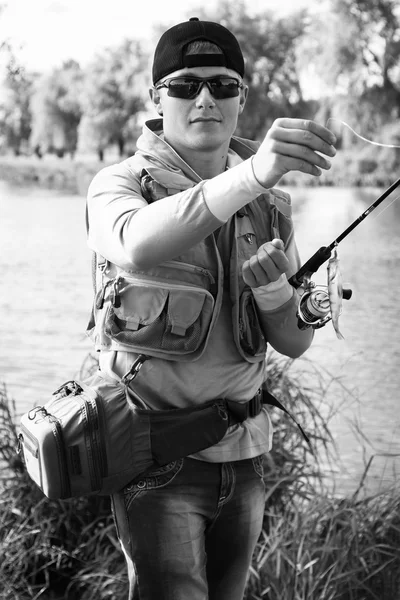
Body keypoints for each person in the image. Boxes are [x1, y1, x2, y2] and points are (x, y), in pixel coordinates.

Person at [86, 16, 336, 600]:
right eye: (185, 85)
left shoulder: (270, 205)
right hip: (157, 466)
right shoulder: (117, 185)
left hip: (246, 461)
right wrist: (252, 173)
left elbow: (296, 343)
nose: (206, 99)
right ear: (157, 99)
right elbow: (135, 243)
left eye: (223, 85)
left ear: (242, 98)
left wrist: (277, 295)